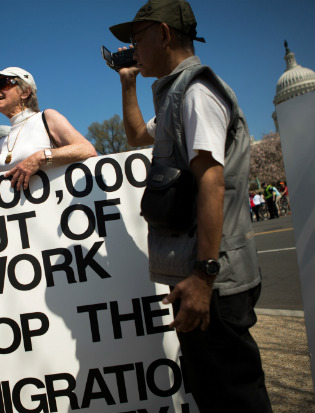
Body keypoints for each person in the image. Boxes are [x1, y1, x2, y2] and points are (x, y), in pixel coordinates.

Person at [109, 1, 272, 411]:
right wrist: (128, 82)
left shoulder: (196, 92)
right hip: (194, 279)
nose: (132, 47)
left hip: (210, 282)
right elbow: (134, 137)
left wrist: (204, 276)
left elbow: (211, 182)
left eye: (137, 38)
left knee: (234, 394)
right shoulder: (173, 97)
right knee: (212, 390)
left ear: (164, 34)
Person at [0, 67, 96, 189]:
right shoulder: (3, 142)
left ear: (25, 92)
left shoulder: (46, 118)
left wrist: (40, 157)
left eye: (3, 84)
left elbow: (86, 149)